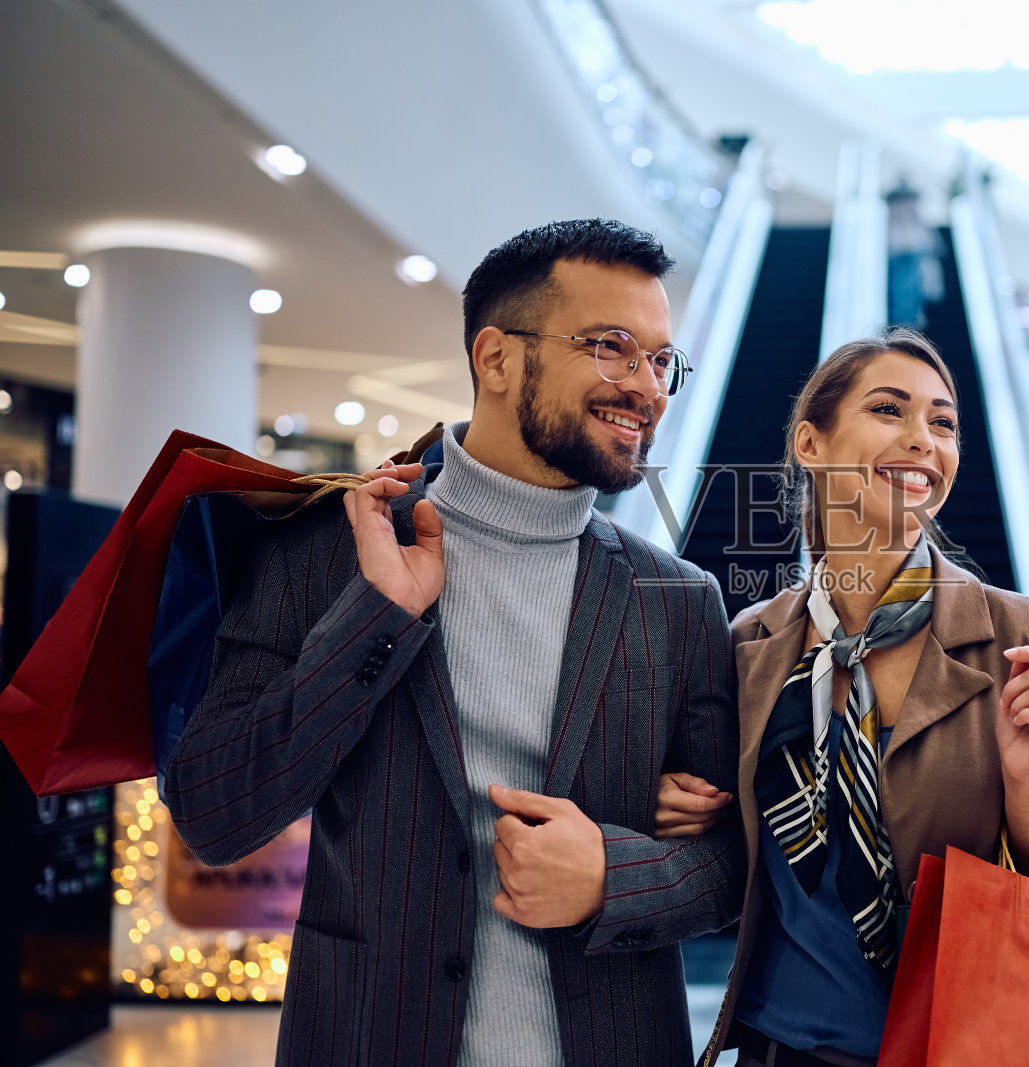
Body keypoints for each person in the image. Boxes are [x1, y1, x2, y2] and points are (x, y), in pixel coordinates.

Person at [163, 219, 744, 1067]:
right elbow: (214, 815)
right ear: (497, 358)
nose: (647, 387)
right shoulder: (329, 548)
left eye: (661, 361)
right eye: (613, 348)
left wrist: (613, 877)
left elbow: (736, 862)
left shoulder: (680, 601)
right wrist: (376, 618)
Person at [656, 328, 1029, 1067]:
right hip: (782, 1047)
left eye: (943, 422)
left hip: (962, 1043)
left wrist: (1027, 782)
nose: (923, 440)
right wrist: (676, 805)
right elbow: (730, 851)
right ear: (811, 443)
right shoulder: (748, 643)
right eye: (890, 410)